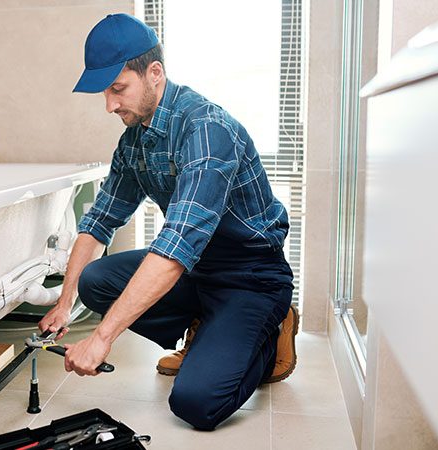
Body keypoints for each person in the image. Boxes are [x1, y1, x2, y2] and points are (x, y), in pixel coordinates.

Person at [39, 13, 299, 431]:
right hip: (197, 270)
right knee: (94, 281)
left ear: (154, 73)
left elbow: (176, 245)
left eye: (118, 88)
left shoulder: (207, 129)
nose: (109, 105)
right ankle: (204, 328)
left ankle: (273, 330)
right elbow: (99, 221)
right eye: (105, 92)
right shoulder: (135, 139)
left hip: (248, 275)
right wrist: (66, 302)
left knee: (197, 404)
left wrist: (101, 338)